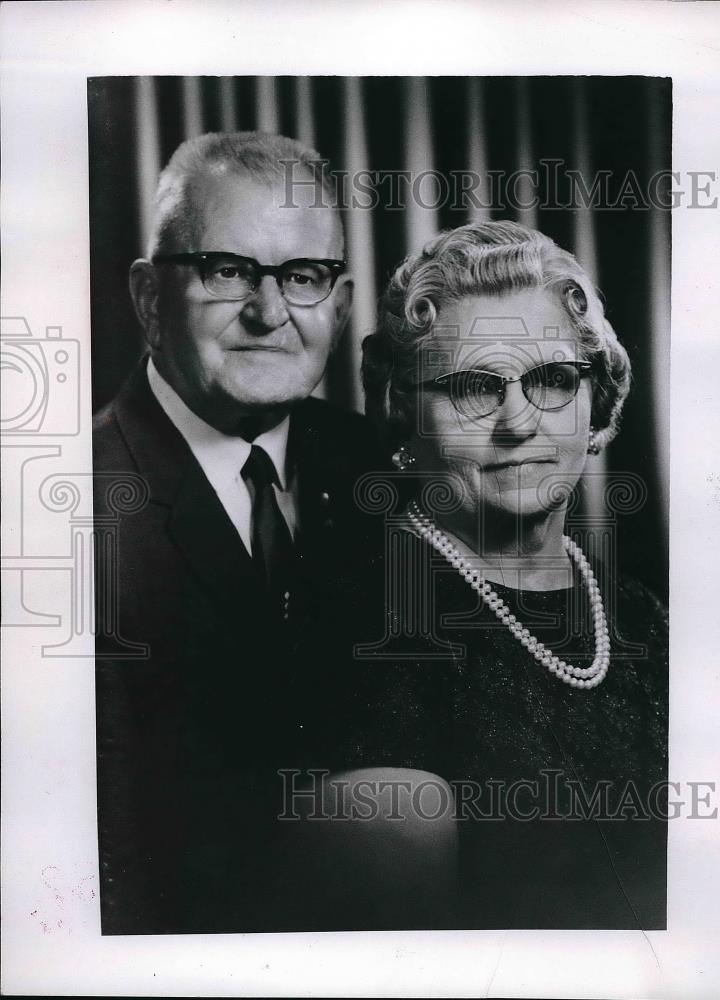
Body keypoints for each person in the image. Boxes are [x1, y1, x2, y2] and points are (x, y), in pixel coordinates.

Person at [327, 219, 668, 929]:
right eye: (471, 387)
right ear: (401, 409)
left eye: (551, 379)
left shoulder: (642, 615)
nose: (518, 421)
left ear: (594, 402)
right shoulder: (367, 632)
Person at [92, 131, 385, 934]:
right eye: (226, 271)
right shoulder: (66, 508)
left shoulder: (391, 475)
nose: (269, 312)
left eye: (303, 277)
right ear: (151, 297)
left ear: (341, 304)